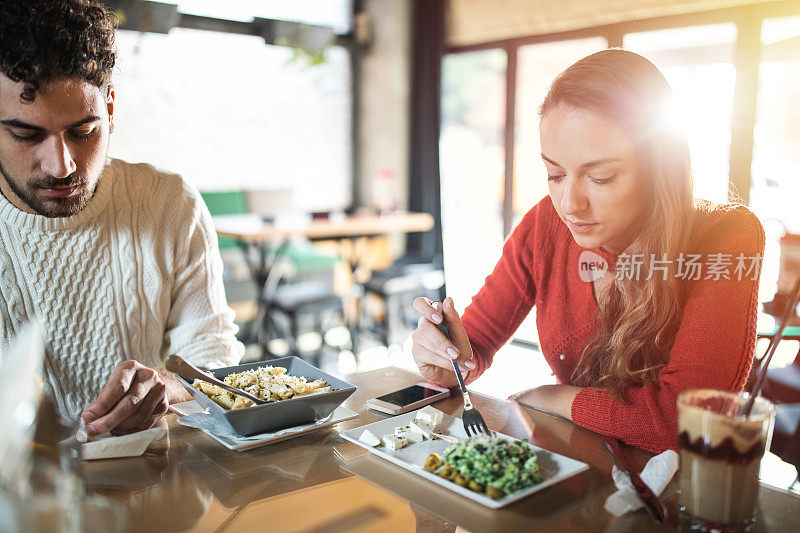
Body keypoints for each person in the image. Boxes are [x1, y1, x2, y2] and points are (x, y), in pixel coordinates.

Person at [411, 49, 765, 453]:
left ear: (658, 167)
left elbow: (685, 421)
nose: (569, 204)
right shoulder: (547, 223)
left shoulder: (727, 237)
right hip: (578, 477)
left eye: (600, 178)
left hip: (680, 497)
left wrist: (553, 398)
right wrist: (447, 359)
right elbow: (477, 339)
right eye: (555, 174)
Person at [0, 0, 244, 435]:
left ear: (110, 109)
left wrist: (168, 385)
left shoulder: (169, 203)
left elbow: (214, 357)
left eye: (83, 132)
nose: (62, 166)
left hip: (153, 482)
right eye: (27, 134)